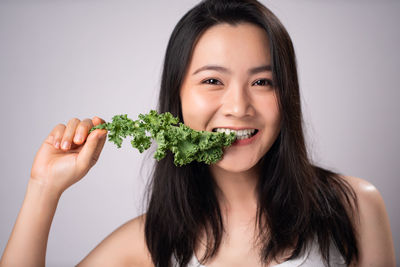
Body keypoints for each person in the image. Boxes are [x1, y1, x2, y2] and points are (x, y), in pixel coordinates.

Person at [0, 0, 395, 266]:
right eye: (212, 81)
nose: (239, 107)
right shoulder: (149, 243)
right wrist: (43, 188)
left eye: (262, 82)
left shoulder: (354, 207)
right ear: (178, 98)